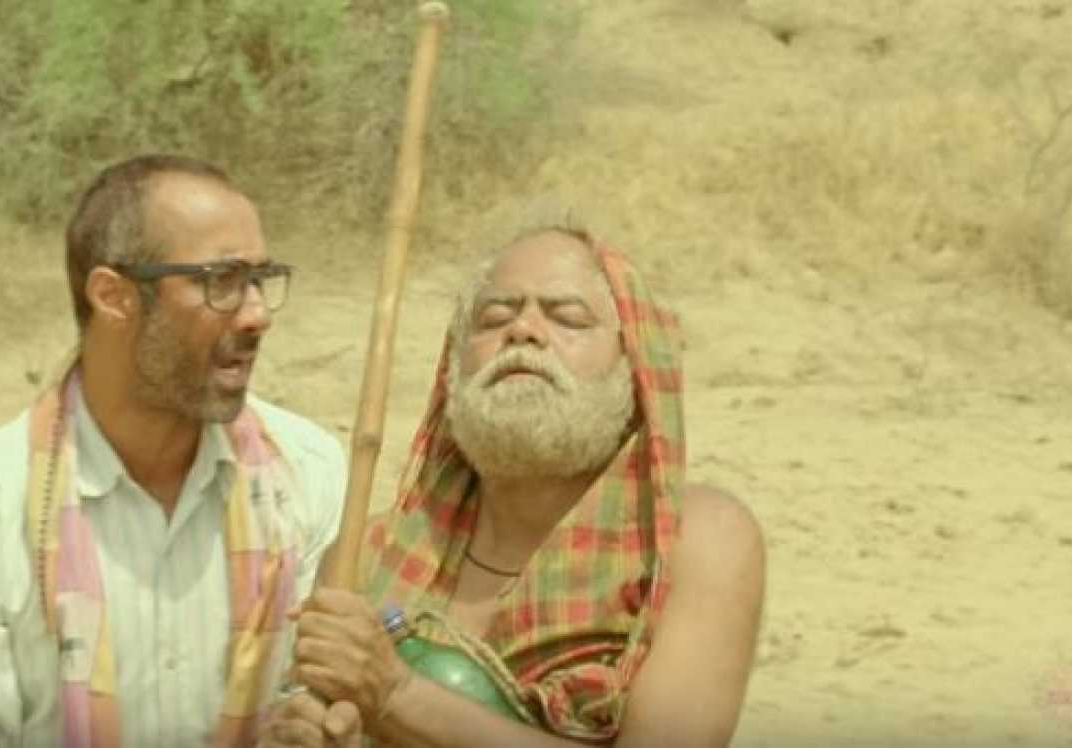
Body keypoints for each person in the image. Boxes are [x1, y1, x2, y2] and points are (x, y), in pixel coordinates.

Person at [0, 154, 348, 747]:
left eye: (261, 279)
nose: (258, 315)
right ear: (113, 296)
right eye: (221, 282)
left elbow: (315, 693)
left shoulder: (307, 475)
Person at [261, 224, 765, 747]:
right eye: (495, 318)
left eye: (568, 318)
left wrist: (397, 696)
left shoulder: (693, 542)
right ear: (453, 370)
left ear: (632, 366)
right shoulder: (367, 556)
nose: (523, 331)